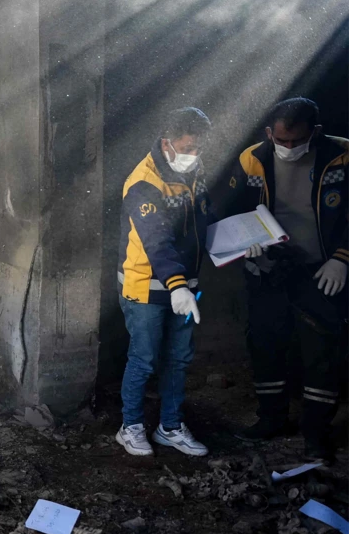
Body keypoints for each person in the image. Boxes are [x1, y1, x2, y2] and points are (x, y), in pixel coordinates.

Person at [229, 98, 348, 462]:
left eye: (297, 142)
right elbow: (234, 209)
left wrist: (342, 260)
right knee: (265, 342)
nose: (289, 148)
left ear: (315, 132)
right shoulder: (253, 159)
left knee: (322, 351)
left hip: (321, 268)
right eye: (282, 141)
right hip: (271, 265)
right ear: (269, 133)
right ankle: (271, 419)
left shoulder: (342, 157)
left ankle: (316, 432)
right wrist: (247, 245)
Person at [115, 107, 214, 458]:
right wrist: (177, 286)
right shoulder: (143, 181)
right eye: (187, 148)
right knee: (144, 359)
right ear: (166, 143)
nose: (193, 156)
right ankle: (130, 427)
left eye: (198, 149)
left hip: (185, 286)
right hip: (147, 287)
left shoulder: (193, 172)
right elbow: (156, 240)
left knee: (180, 358)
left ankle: (170, 427)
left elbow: (200, 222)